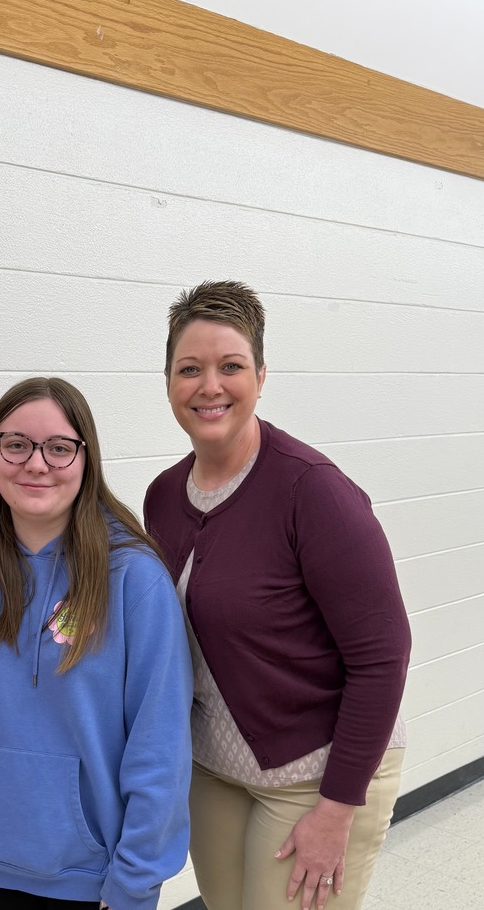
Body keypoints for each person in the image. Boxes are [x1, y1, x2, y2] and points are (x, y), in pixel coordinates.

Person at [143, 280, 411, 910]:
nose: (210, 386)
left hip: (317, 776)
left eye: (230, 366)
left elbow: (382, 657)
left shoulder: (311, 491)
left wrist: (337, 810)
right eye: (190, 369)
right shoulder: (162, 496)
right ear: (168, 383)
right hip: (216, 769)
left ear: (261, 375)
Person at [0, 376, 193, 910]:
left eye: (59, 448)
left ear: (86, 460)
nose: (35, 464)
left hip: (93, 877)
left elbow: (161, 745)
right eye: (15, 444)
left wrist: (136, 878)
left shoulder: (133, 579)